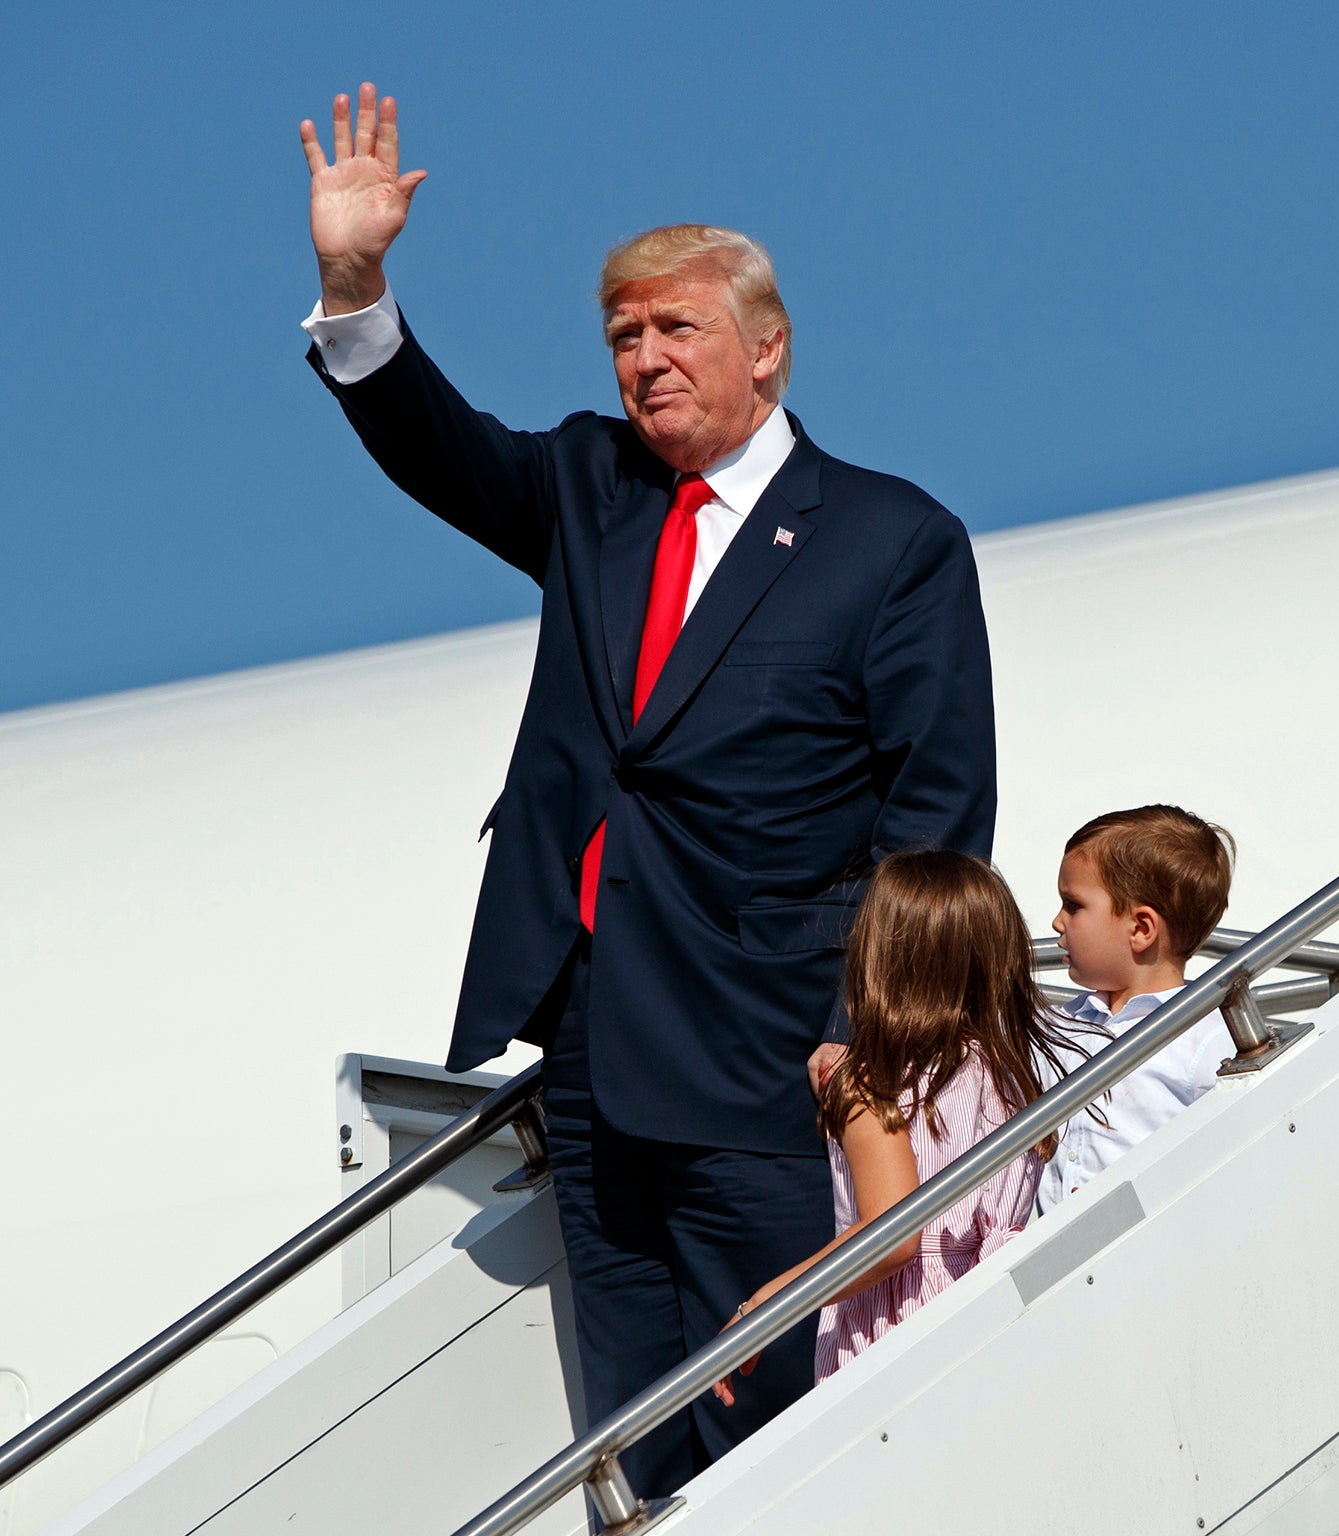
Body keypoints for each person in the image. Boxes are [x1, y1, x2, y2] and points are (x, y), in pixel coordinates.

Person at [295, 86, 997, 1496]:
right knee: (635, 1429)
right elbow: (438, 446)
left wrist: (862, 1037)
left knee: (791, 1407)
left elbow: (937, 814)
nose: (645, 359)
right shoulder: (592, 487)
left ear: (768, 347)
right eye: (625, 336)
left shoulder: (891, 539)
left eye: (677, 329)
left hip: (774, 1052)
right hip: (597, 1036)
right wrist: (356, 286)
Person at [711, 850, 1081, 1402]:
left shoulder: (871, 1086)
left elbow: (893, 1238)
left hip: (895, 1334)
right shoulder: (1005, 1072)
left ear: (878, 961)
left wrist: (767, 1304)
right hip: (993, 1310)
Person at [1037, 805, 1236, 1209]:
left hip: (1150, 1257)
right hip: (1048, 1258)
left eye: (1073, 905)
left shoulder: (1207, 1041)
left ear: (1141, 929)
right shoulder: (1059, 1023)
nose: (1057, 922)